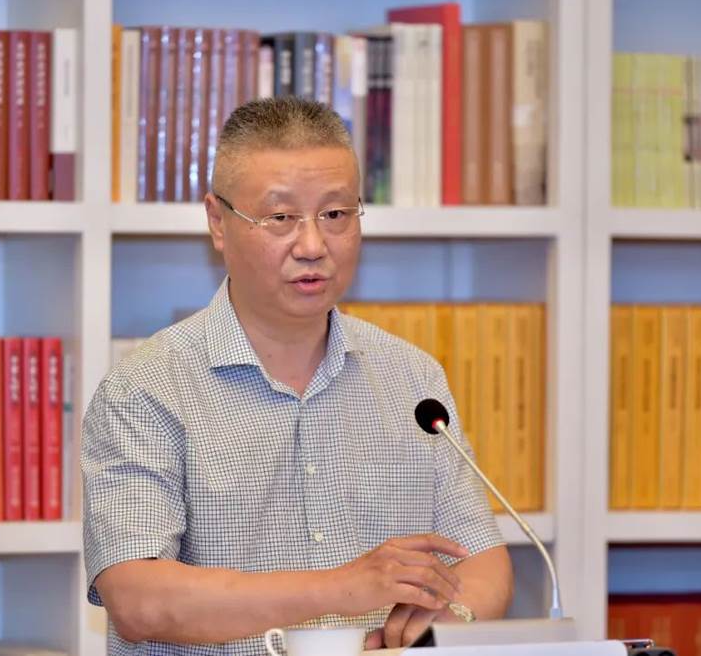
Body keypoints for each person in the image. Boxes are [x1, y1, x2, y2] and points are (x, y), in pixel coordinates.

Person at [82, 96, 513, 656]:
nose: (312, 246)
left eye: (335, 215)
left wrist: (442, 625)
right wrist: (343, 588)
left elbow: (482, 558)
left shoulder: (411, 377)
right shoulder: (145, 390)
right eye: (280, 218)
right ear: (218, 221)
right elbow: (139, 599)